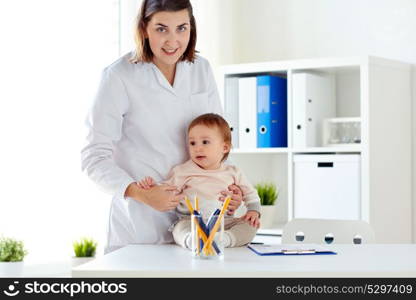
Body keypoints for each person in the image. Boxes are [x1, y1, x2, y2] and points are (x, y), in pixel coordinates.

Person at [81, 0, 243, 254]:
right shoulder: (119, 76)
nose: (172, 41)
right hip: (140, 227)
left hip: (199, 223)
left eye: (182, 28)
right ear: (144, 28)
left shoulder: (201, 69)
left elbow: (217, 142)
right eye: (161, 29)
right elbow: (93, 158)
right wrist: (142, 194)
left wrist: (229, 189)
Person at [138, 113, 260, 249]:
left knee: (250, 226)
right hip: (191, 220)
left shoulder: (233, 172)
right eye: (192, 143)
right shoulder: (183, 170)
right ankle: (192, 240)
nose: (197, 148)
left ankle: (224, 239)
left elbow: (250, 193)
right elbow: (167, 189)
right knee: (179, 229)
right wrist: (153, 186)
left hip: (224, 221)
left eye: (205, 142)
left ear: (224, 148)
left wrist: (253, 211)